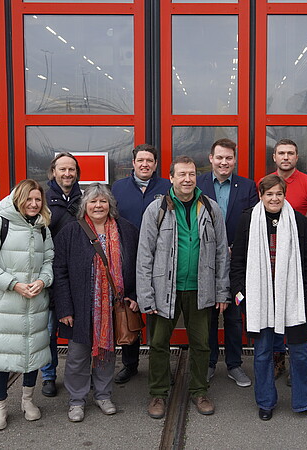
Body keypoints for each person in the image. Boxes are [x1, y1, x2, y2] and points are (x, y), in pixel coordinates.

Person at [137, 156, 230, 419]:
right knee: (158, 344)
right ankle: (158, 393)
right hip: (164, 289)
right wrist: (146, 295)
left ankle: (199, 391)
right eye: (182, 175)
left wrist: (222, 290)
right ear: (171, 178)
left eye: (191, 174)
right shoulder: (156, 210)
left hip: (201, 289)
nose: (187, 179)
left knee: (201, 344)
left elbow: (222, 252)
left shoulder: (210, 208)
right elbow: (145, 255)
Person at [230, 174, 307, 421]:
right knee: (262, 353)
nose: (274, 198)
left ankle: (306, 402)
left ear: (285, 195)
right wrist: (240, 294)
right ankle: (265, 402)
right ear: (261, 196)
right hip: (259, 299)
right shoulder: (248, 220)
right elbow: (238, 261)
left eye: (279, 194)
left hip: (292, 299)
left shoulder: (298, 222)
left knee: (300, 353)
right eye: (269, 194)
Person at [52, 183, 139, 422]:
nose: (98, 206)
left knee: (107, 353)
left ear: (110, 205)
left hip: (113, 306)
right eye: (93, 202)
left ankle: (103, 395)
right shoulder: (71, 232)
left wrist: (133, 295)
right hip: (80, 307)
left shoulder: (126, 231)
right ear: (85, 206)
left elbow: (136, 266)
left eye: (103, 201)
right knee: (78, 355)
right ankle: (77, 400)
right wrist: (65, 307)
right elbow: (59, 271)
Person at [0, 179, 54, 431]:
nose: (33, 204)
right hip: (5, 303)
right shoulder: (0, 224)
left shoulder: (43, 227)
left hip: (35, 302)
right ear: (19, 199)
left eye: (37, 200)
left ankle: (27, 401)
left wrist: (43, 281)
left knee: (32, 352)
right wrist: (13, 284)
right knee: (2, 355)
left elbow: (49, 260)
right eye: (29, 199)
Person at [196, 138, 257, 387]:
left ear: (234, 160)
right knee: (207, 315)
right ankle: (210, 363)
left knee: (234, 315)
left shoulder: (248, 187)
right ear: (211, 159)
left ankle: (234, 365)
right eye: (219, 157)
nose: (224, 162)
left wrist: (237, 249)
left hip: (236, 265)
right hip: (204, 262)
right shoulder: (197, 184)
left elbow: (254, 222)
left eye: (228, 158)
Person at [111, 144, 171, 384]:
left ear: (156, 164)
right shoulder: (118, 188)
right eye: (141, 160)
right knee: (130, 310)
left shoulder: (167, 187)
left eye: (150, 160)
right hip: (127, 257)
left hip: (161, 259)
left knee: (160, 315)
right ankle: (130, 364)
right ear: (133, 163)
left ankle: (161, 368)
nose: (145, 164)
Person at [265, 138, 307, 379]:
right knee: (273, 315)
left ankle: (296, 363)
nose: (286, 157)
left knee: (297, 318)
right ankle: (277, 361)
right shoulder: (266, 183)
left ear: (297, 158)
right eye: (281, 153)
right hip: (272, 261)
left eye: (290, 153)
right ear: (275, 157)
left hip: (299, 261)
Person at [41, 152, 83, 398]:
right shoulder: (43, 200)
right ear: (53, 172)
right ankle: (48, 375)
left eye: (72, 170)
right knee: (48, 331)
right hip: (48, 275)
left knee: (76, 328)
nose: (67, 174)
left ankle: (77, 374)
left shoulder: (84, 199)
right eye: (63, 169)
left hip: (75, 275)